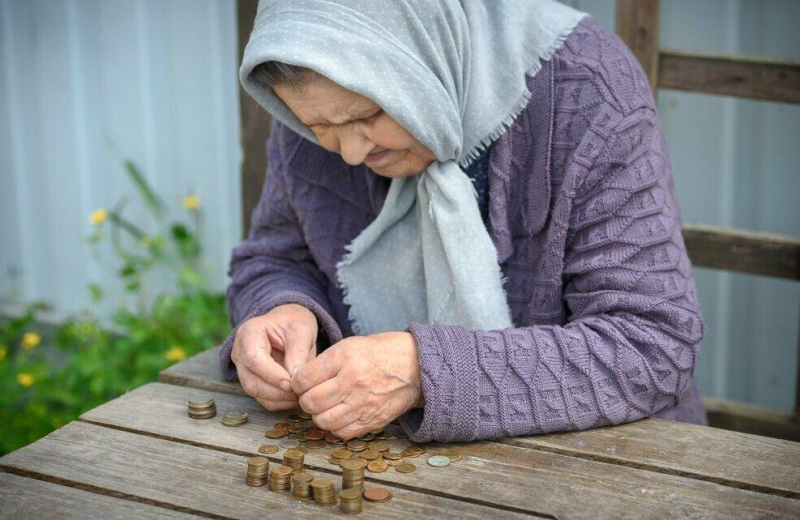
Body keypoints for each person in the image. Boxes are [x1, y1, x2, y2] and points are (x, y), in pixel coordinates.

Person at [221, 0, 708, 443]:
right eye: (320, 127)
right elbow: (273, 256)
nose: (350, 153)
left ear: (421, 59)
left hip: (604, 462)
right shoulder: (313, 94)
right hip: (390, 463)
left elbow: (652, 345)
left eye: (367, 114)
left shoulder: (590, 90)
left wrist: (424, 371)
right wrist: (280, 311)